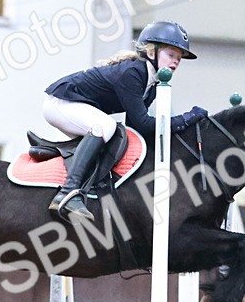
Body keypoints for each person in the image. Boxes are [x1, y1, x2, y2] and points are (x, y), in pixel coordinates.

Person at [42, 20, 209, 222]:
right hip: (60, 103)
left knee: (118, 135)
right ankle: (67, 194)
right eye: (170, 54)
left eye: (179, 58)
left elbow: (137, 129)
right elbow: (143, 123)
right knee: (106, 127)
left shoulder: (152, 83)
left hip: (74, 106)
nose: (175, 62)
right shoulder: (133, 73)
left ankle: (93, 191)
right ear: (151, 53)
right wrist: (187, 118)